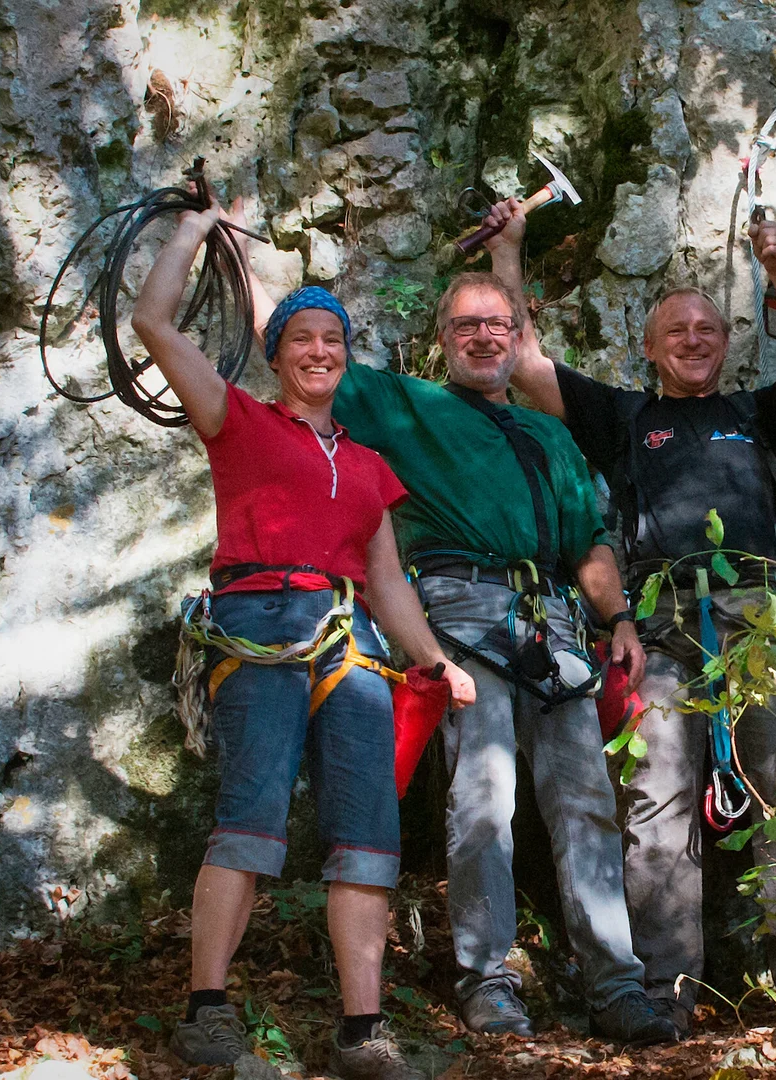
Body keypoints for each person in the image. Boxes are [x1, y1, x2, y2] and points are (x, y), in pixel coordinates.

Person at [478, 201, 776, 1031]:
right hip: (665, 620)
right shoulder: (626, 418)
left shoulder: (755, 415)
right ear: (648, 348)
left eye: (708, 330)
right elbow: (531, 365)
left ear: (726, 345)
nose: (693, 339)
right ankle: (663, 996)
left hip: (765, 615)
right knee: (655, 804)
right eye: (675, 330)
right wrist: (509, 250)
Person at [131, 192, 477, 1080]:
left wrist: (434, 659)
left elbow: (388, 579)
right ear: (276, 356)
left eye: (332, 340)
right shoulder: (237, 421)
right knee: (250, 816)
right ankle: (208, 1010)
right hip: (258, 622)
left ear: (344, 357)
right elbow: (154, 322)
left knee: (367, 828)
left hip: (351, 636)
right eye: (301, 340)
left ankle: (364, 1030)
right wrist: (194, 232)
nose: (319, 352)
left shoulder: (367, 465)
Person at [316, 270, 679, 1047]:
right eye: (466, 327)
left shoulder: (552, 435)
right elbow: (304, 350)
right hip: (461, 611)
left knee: (584, 800)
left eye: (498, 325)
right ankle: (488, 981)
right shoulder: (408, 405)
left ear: (518, 336)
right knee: (484, 797)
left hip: (552, 622)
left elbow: (589, 541)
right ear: (442, 340)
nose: (484, 337)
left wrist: (617, 618)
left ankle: (616, 984)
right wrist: (229, 251)